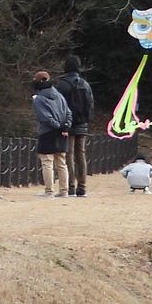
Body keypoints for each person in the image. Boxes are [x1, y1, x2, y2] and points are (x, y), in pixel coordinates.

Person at [53, 55, 96, 198]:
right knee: (81, 155)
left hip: (68, 123)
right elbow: (91, 104)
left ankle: (70, 186)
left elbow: (58, 105)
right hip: (83, 123)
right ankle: (82, 187)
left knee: (68, 155)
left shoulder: (61, 84)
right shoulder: (85, 84)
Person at [32, 70, 73, 198]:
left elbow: (45, 117)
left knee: (47, 161)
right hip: (62, 133)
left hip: (47, 132)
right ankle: (64, 190)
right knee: (61, 161)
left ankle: (49, 190)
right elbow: (68, 113)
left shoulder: (39, 99)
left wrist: (56, 125)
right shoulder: (60, 96)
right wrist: (65, 126)